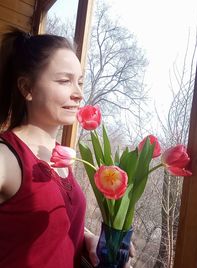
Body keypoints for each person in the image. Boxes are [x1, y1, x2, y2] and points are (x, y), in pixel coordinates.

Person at [0, 27, 134, 268]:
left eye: (80, 82)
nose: (79, 94)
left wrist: (88, 238)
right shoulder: (7, 156)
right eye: (64, 81)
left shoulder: (59, 155)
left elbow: (52, 220)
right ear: (26, 88)